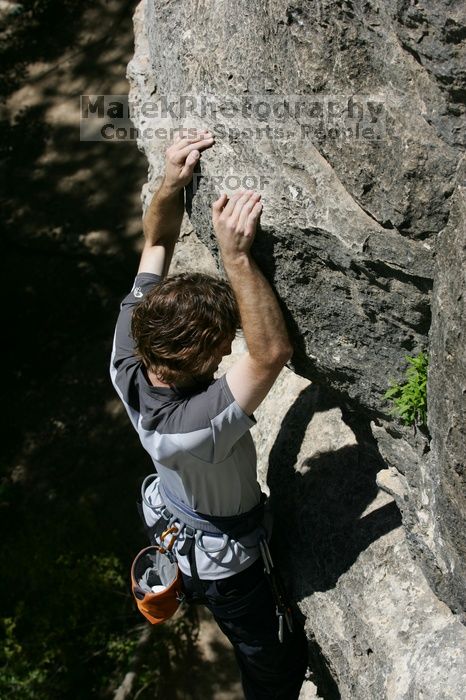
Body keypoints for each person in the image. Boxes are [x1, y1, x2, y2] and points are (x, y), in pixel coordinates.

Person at [110, 128, 308, 699]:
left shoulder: (131, 345)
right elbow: (272, 354)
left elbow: (156, 246)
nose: (229, 352)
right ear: (193, 362)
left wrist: (172, 181)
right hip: (229, 567)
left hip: (173, 517)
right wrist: (236, 257)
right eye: (221, 349)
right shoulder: (191, 429)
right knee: (267, 659)